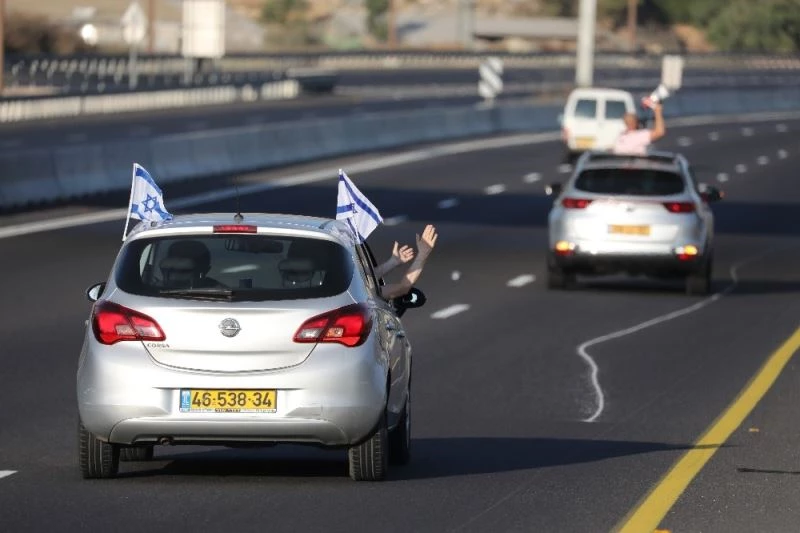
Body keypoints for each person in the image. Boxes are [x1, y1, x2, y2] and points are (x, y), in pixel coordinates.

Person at [374, 224, 438, 300]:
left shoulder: (361, 288)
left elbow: (367, 276)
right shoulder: (365, 293)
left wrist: (392, 263)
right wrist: (422, 254)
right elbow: (403, 288)